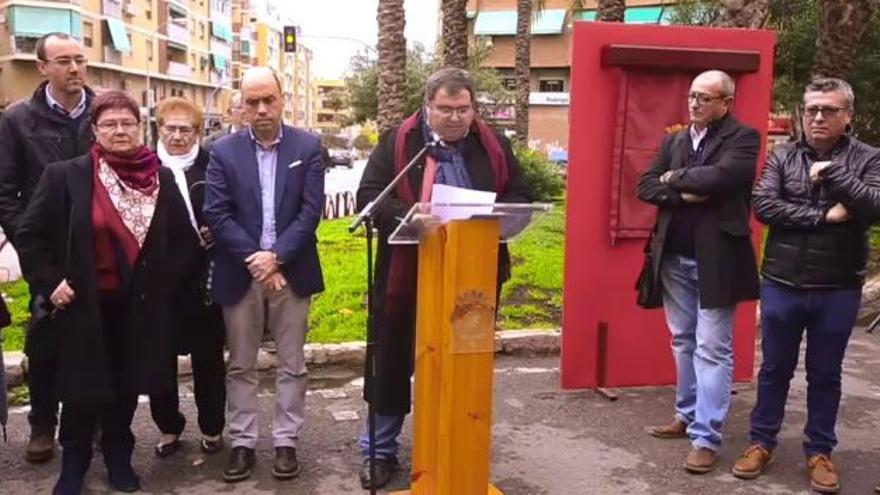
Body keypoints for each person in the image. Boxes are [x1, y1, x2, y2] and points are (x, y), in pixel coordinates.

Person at [15, 90, 199, 494]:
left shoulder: (160, 179)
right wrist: (50, 282)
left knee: (126, 386)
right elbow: (30, 235)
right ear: (95, 131)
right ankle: (74, 462)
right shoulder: (66, 176)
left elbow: (185, 245)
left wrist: (160, 287)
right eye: (110, 124)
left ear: (140, 127)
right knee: (81, 389)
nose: (120, 130)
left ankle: (119, 455)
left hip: (137, 306)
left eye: (127, 123)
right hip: (83, 305)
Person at [355, 67, 530, 489]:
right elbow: (369, 198)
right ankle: (379, 451)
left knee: (463, 359)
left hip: (472, 275)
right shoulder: (401, 142)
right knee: (392, 359)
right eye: (445, 109)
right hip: (407, 273)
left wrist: (497, 214)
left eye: (463, 109)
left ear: (473, 109)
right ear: (427, 107)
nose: (455, 118)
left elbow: (520, 195)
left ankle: (459, 447)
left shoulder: (492, 145)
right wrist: (411, 215)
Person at [732, 78, 880, 494]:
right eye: (811, 108)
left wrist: (833, 174)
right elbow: (764, 207)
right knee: (774, 368)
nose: (817, 117)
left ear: (847, 115)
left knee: (825, 373)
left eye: (829, 110)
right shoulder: (782, 157)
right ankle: (761, 442)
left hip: (838, 286)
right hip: (783, 281)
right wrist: (825, 217)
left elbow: (873, 206)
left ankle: (819, 452)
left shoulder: (870, 159)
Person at [203, 67, 324, 483]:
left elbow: (311, 212)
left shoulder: (308, 146)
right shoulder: (223, 151)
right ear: (241, 105)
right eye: (251, 102)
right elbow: (216, 213)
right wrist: (257, 258)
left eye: (267, 100)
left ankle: (287, 440)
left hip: (292, 273)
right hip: (241, 272)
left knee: (292, 362)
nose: (260, 109)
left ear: (281, 98)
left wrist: (277, 258)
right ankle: (242, 442)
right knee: (239, 364)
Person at [636, 70, 760, 474]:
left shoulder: (743, 137)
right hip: (672, 257)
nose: (694, 104)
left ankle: (706, 437)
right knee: (683, 341)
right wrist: (686, 189)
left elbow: (727, 177)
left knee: (712, 348)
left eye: (704, 98)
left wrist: (674, 181)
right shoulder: (674, 139)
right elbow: (645, 185)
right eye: (691, 96)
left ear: (726, 103)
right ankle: (686, 415)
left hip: (717, 259)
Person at [0, 32, 95, 463]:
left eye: (79, 59)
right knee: (44, 337)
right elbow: (4, 190)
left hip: (98, 243)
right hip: (44, 249)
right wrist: (28, 239)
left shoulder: (103, 111)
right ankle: (42, 423)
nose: (74, 68)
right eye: (63, 61)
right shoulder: (18, 119)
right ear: (42, 68)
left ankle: (93, 420)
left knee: (97, 332)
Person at [148, 97, 226, 457]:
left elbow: (233, 208)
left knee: (208, 360)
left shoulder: (215, 166)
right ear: (158, 129)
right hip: (158, 281)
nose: (178, 136)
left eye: (186, 129)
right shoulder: (142, 168)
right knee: (158, 360)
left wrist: (219, 231)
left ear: (199, 132)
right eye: (171, 128)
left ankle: (212, 427)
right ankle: (169, 426)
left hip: (203, 280)